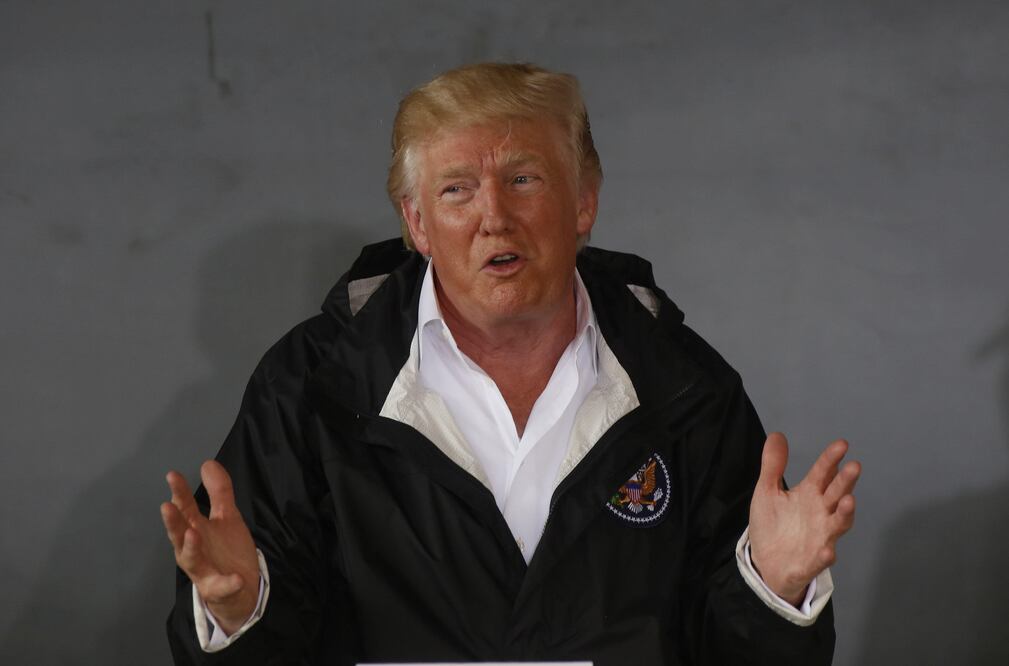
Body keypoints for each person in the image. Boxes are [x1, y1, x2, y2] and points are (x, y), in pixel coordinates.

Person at [162, 63, 859, 665]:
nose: (493, 216)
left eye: (523, 179)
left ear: (583, 201)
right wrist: (238, 610)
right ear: (416, 224)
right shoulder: (314, 385)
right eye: (456, 190)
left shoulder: (683, 387)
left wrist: (772, 589)